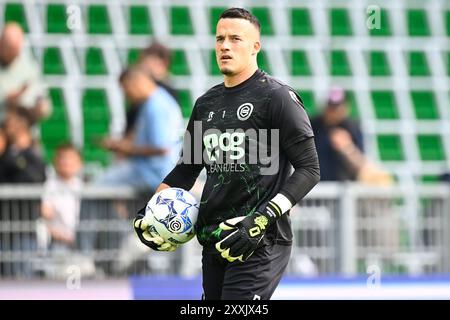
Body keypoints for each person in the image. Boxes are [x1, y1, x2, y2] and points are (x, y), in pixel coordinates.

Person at [133, 8, 320, 300]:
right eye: (220, 38)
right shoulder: (206, 103)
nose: (225, 46)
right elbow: (186, 169)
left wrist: (262, 218)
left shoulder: (277, 97)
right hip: (213, 239)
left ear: (255, 46)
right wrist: (152, 210)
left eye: (235, 38)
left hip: (260, 239)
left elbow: (310, 169)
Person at [97, 67, 183, 191]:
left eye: (126, 89)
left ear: (135, 83)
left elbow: (161, 148)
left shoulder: (155, 106)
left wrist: (127, 149)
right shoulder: (155, 101)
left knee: (100, 185)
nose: (127, 95)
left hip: (154, 173)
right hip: (157, 171)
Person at [0, 23, 50, 123]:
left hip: (22, 124)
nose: (13, 52)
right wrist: (7, 100)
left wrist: (39, 108)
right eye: (9, 48)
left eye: (15, 48)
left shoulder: (29, 68)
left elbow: (43, 104)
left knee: (21, 137)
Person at [311, 87, 364, 181]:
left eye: (336, 107)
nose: (332, 110)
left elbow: (361, 167)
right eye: (330, 105)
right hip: (315, 186)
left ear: (346, 107)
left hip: (342, 188)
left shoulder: (352, 128)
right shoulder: (313, 125)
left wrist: (347, 148)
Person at [40, 144, 83, 251]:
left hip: (81, 243)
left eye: (71, 159)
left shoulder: (82, 186)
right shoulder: (49, 186)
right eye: (63, 159)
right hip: (58, 244)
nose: (67, 162)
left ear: (80, 163)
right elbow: (45, 215)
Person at [0, 106, 46, 183]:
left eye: (11, 119)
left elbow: (36, 176)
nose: (7, 122)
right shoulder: (7, 148)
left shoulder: (32, 152)